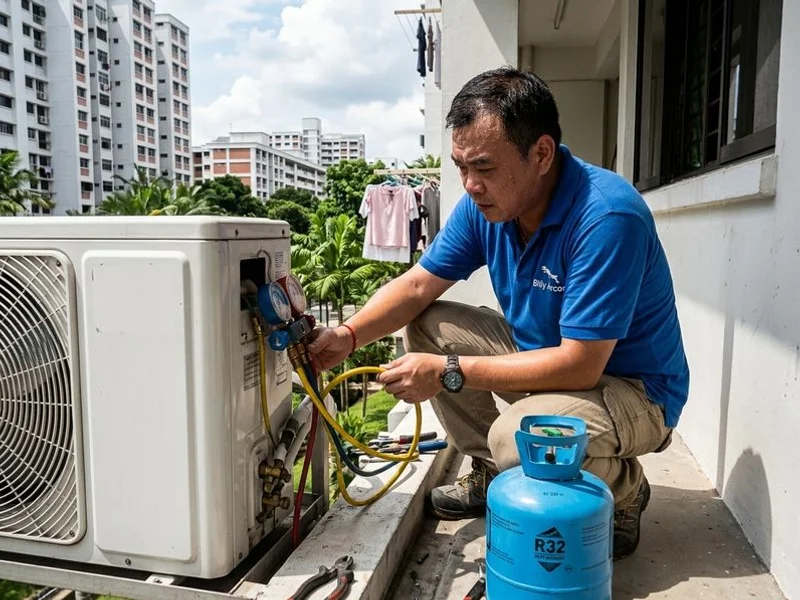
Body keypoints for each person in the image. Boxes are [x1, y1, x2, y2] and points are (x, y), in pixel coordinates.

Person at [307, 66, 689, 561]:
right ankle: (491, 470)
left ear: (542, 154)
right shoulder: (487, 206)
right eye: (461, 166)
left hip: (634, 392)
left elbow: (582, 365)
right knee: (426, 323)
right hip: (552, 361)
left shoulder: (607, 217)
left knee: (514, 438)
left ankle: (625, 488)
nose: (469, 184)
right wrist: (348, 334)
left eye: (483, 168)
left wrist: (448, 372)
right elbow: (420, 285)